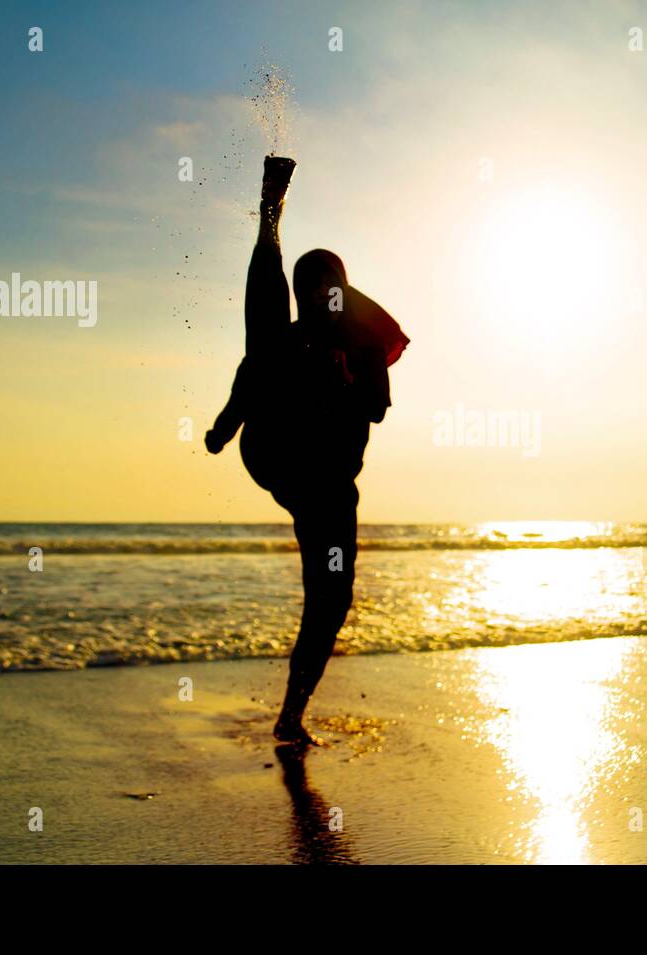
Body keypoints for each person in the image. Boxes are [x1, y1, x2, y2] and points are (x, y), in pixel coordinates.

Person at [206, 156, 409, 746]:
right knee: (267, 340)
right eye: (309, 290)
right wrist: (225, 424)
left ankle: (292, 713)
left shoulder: (363, 344)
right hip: (279, 454)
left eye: (329, 289)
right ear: (299, 294)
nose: (321, 299)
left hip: (330, 488)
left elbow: (376, 406)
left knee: (332, 600)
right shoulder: (287, 341)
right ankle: (270, 215)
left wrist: (345, 379)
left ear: (341, 292)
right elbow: (252, 372)